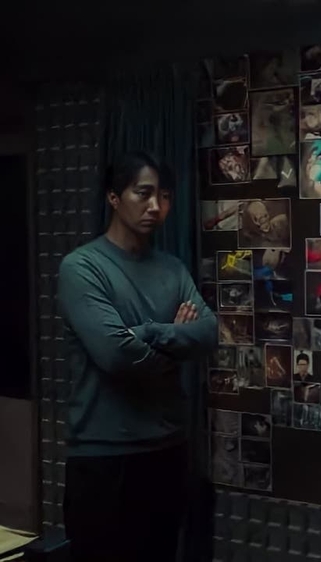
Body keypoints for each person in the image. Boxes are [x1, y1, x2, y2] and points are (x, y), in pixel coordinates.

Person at [57, 152, 218, 562]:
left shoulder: (172, 269)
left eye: (164, 196)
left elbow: (208, 334)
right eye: (142, 193)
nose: (155, 206)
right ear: (114, 197)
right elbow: (116, 356)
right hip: (104, 459)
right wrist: (176, 340)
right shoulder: (82, 267)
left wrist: (147, 333)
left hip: (167, 451)